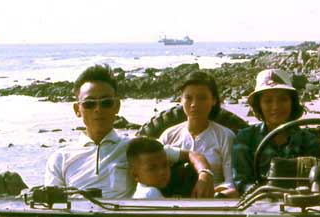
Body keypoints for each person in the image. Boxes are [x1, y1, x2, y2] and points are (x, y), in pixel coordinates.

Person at [44, 64, 214, 198]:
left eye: (105, 103)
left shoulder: (134, 148)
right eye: (89, 104)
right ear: (77, 109)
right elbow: (52, 208)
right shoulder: (60, 159)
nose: (98, 109)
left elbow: (192, 155)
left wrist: (204, 174)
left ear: (117, 106)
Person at [232, 69, 320, 194]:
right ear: (259, 105)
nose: (275, 107)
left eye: (283, 99)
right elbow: (242, 181)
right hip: (258, 204)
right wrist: (257, 191)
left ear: (292, 102)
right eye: (268, 101)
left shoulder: (308, 140)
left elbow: (314, 179)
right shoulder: (245, 137)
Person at [159, 71, 237, 197]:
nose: (194, 104)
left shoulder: (225, 136)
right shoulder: (169, 135)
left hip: (211, 200)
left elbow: (231, 182)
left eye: (202, 98)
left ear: (213, 100)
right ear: (180, 100)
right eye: (188, 98)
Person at [127, 137, 199, 199]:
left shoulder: (143, 193)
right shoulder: (150, 194)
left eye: (165, 165)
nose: (162, 172)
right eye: (152, 168)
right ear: (135, 174)